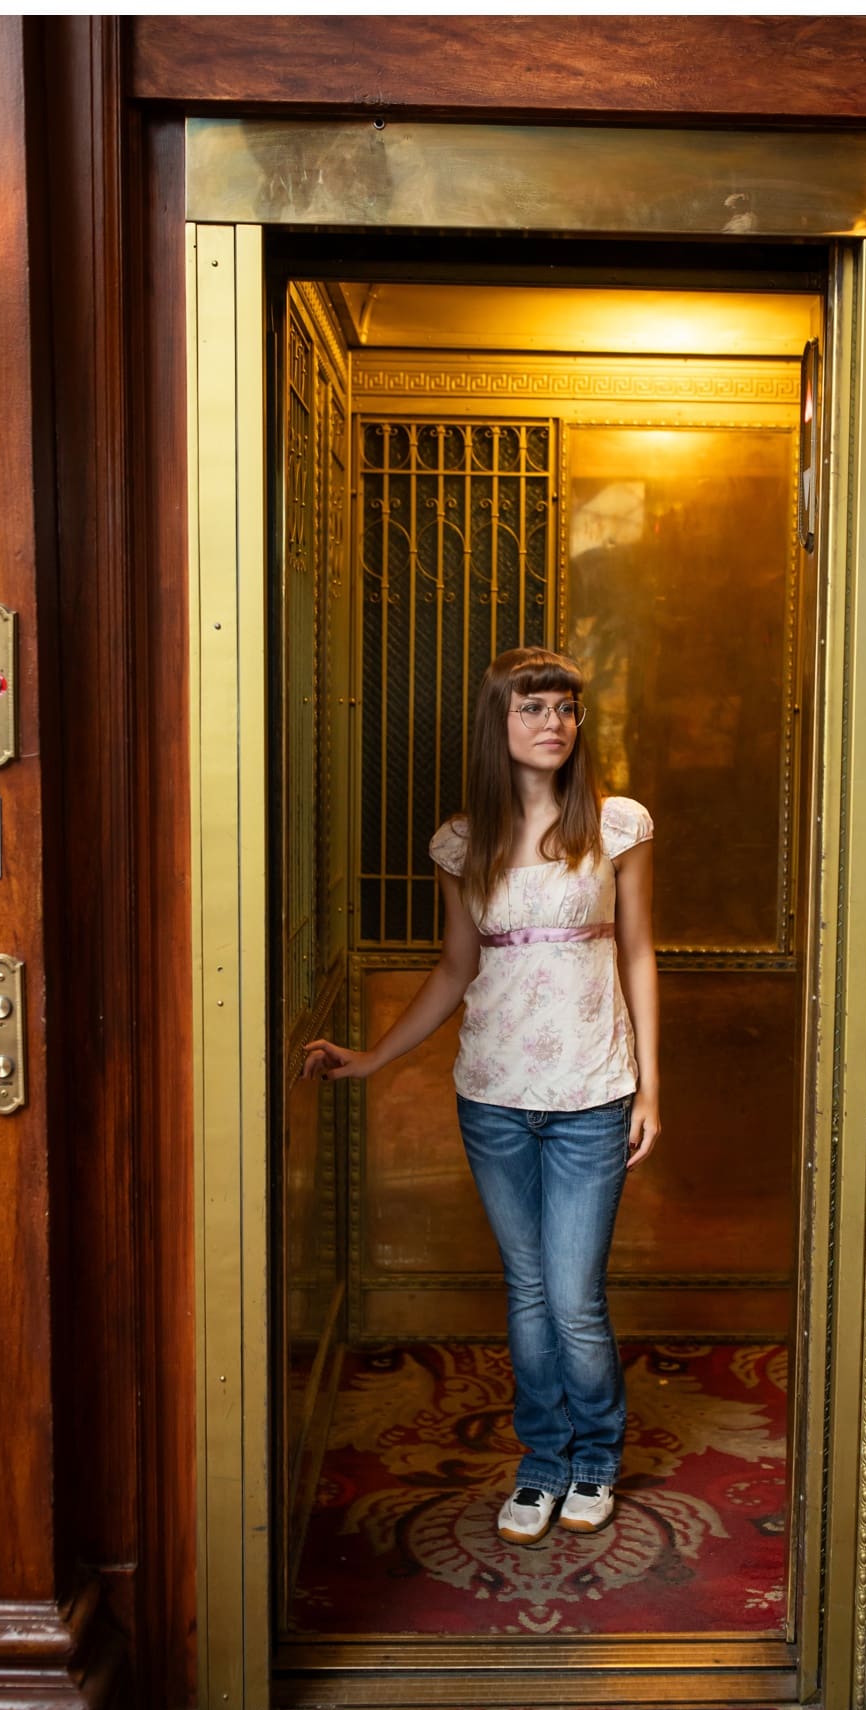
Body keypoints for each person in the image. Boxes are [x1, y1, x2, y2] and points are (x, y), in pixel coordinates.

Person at [301, 646, 661, 1548]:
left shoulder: (617, 827)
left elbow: (639, 954)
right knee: (529, 1289)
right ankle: (542, 1462)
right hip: (494, 1095)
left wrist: (653, 1087)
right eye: (533, 707)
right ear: (498, 723)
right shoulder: (463, 843)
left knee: (574, 1295)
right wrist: (374, 1056)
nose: (553, 722)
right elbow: (456, 969)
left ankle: (596, 1455)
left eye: (567, 708)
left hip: (592, 1090)